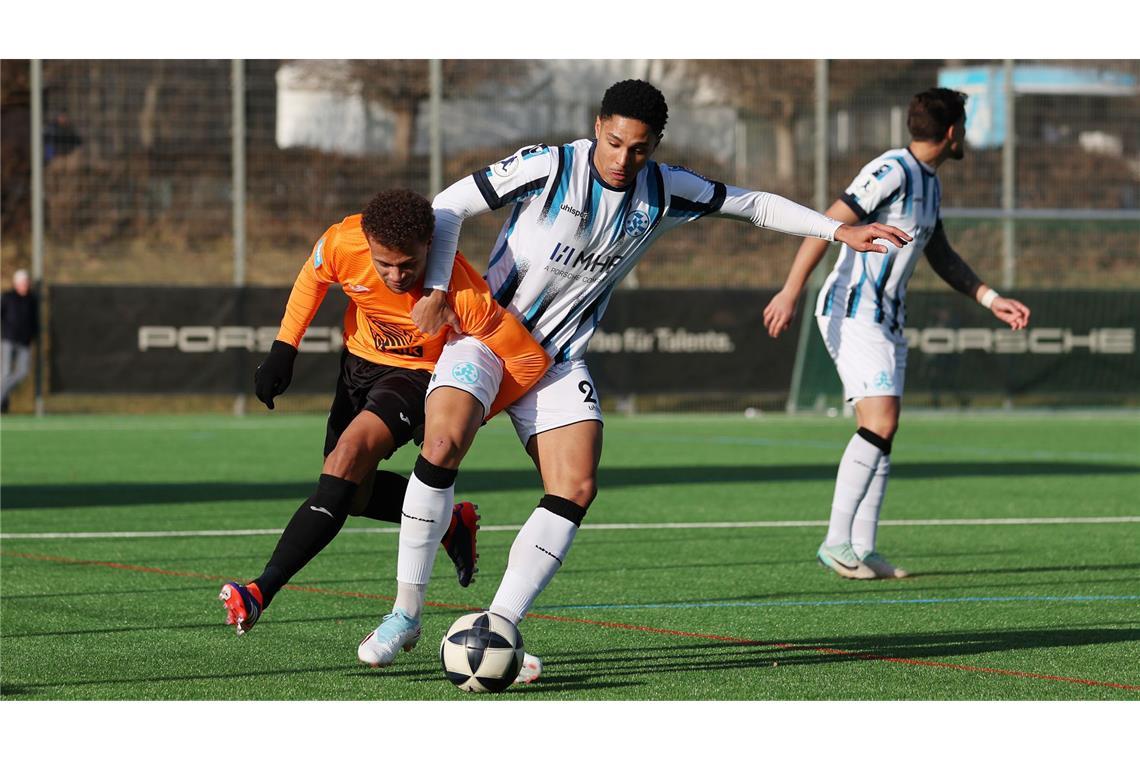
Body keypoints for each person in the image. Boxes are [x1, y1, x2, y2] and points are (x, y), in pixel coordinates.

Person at [356, 80, 910, 680]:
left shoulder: (666, 189)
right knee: (441, 446)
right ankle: (404, 613)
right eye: (615, 142)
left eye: (639, 149)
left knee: (577, 485)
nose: (624, 160)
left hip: (558, 360)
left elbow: (753, 204)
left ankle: (500, 625)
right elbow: (447, 205)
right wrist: (438, 289)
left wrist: (839, 232)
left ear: (655, 147)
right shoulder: (549, 166)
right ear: (598, 128)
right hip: (488, 338)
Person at [218, 189, 550, 634]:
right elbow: (312, 277)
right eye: (384, 263)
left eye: (408, 265)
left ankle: (260, 591)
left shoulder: (463, 292)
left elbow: (529, 361)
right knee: (350, 495)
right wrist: (284, 347)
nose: (395, 276)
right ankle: (450, 523)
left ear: (430, 247)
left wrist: (459, 411)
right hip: (356, 366)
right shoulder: (345, 241)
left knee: (346, 458)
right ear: (368, 244)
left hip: (415, 376)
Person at [762, 87, 1031, 580]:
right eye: (964, 127)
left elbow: (942, 254)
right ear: (952, 133)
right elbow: (829, 223)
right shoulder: (893, 170)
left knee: (885, 428)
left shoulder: (929, 182)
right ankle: (835, 542)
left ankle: (863, 547)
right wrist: (790, 289)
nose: (964, 135)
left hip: (887, 315)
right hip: (852, 308)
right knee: (879, 422)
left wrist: (991, 299)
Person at [1, 269, 37, 414]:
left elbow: (34, 321)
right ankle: (2, 404)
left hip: (25, 342)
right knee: (5, 373)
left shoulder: (32, 299)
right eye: (22, 282)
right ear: (16, 283)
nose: (25, 285)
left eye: (27, 282)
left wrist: (33, 335)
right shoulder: (7, 297)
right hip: (8, 340)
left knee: (22, 372)